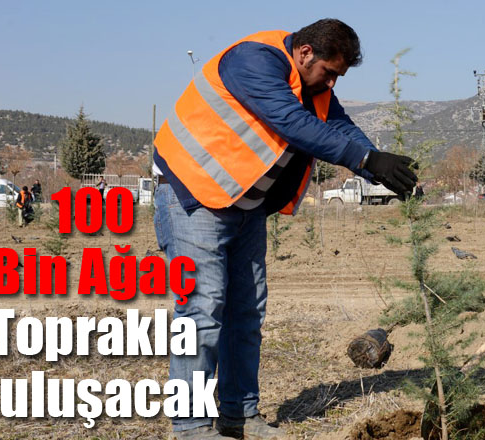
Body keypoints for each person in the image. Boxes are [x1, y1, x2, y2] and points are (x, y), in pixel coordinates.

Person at [152, 19, 417, 440]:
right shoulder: (253, 61)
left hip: (245, 207)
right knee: (202, 312)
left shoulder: (313, 86)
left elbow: (339, 126)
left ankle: (239, 415)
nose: (330, 82)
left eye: (338, 77)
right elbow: (292, 123)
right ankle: (191, 427)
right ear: (306, 52)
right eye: (328, 72)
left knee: (246, 314)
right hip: (194, 197)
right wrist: (364, 161)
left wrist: (379, 165)